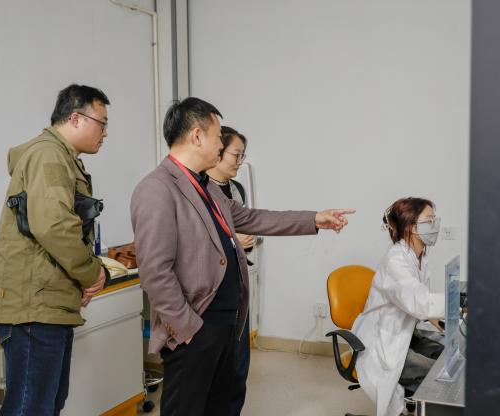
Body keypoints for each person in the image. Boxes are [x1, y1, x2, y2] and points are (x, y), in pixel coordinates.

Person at [131, 97, 354, 416]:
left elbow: (254, 218)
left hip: (225, 325)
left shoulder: (207, 188)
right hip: (195, 330)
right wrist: (188, 328)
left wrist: (315, 219)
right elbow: (155, 272)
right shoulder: (157, 188)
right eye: (217, 136)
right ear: (197, 136)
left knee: (219, 407)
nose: (221, 144)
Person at [0, 84, 110, 416]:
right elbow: (54, 226)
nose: (105, 133)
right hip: (34, 307)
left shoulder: (61, 158)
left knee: (46, 404)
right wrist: (92, 274)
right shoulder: (49, 155)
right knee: (31, 407)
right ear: (76, 118)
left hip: (47, 304)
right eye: (101, 123)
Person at [351, 197, 445, 416]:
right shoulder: (396, 260)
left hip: (406, 332)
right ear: (412, 226)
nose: (435, 225)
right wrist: (457, 303)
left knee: (446, 357)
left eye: (435, 219)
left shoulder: (419, 257)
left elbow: (418, 300)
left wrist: (442, 321)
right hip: (383, 341)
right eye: (429, 220)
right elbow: (420, 302)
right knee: (438, 376)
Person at [206, 125, 254, 416]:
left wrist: (246, 242)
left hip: (238, 287)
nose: (240, 161)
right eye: (236, 155)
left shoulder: (237, 189)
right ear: (217, 151)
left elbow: (250, 222)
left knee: (239, 367)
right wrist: (235, 241)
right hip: (213, 292)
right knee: (215, 372)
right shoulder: (199, 190)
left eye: (242, 155)